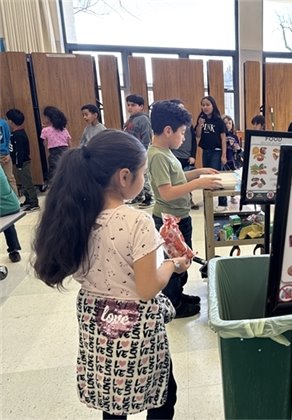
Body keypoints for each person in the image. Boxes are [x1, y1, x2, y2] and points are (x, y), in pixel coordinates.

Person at [33, 130, 191, 419]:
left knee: (113, 400)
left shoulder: (77, 215)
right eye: (143, 175)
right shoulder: (137, 222)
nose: (145, 182)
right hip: (138, 335)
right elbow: (146, 288)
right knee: (162, 398)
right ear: (124, 176)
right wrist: (173, 265)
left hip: (101, 331)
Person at [148, 100, 222, 318]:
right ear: (168, 130)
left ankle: (178, 295)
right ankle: (173, 304)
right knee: (174, 263)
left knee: (183, 259)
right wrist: (199, 184)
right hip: (168, 221)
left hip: (179, 218)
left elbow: (178, 179)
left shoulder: (166, 152)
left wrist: (198, 172)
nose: (183, 137)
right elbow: (167, 192)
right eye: (181, 133)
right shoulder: (158, 156)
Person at [194, 95, 227, 209]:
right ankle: (208, 200)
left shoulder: (218, 120)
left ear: (213, 105)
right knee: (205, 176)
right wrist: (199, 125)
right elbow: (197, 135)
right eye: (203, 105)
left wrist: (224, 155)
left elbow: (223, 138)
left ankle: (222, 202)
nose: (205, 107)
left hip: (216, 152)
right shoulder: (201, 119)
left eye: (208, 105)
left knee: (217, 175)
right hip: (205, 151)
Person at [123, 94, 154, 207]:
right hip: (131, 152)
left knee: (144, 175)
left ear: (141, 106)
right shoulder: (129, 120)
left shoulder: (143, 119)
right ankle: (138, 196)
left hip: (141, 152)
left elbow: (147, 137)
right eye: (128, 105)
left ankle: (149, 197)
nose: (130, 107)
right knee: (134, 174)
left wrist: (143, 152)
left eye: (133, 105)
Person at [6, 109, 39, 212]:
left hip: (23, 162)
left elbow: (20, 151)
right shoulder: (15, 133)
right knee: (23, 183)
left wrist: (19, 164)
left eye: (8, 120)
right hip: (19, 163)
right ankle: (28, 200)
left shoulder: (19, 134)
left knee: (28, 183)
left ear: (11, 121)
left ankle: (34, 203)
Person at [169, 99, 199, 209]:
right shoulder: (171, 125)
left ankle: (189, 199)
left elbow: (193, 140)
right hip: (175, 155)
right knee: (177, 180)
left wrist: (193, 155)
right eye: (179, 108)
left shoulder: (188, 123)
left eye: (183, 108)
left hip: (187, 156)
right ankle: (180, 201)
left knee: (187, 179)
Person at [41, 106, 71, 187]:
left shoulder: (45, 130)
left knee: (54, 174)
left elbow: (44, 144)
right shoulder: (64, 129)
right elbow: (69, 143)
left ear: (48, 118)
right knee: (66, 173)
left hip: (54, 154)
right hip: (66, 152)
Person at [0, 168, 22, 263]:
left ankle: (14, 250)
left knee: (7, 221)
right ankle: (14, 250)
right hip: (11, 205)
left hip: (7, 207)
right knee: (8, 224)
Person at [0, 118, 17, 193]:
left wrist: (8, 153)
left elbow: (8, 139)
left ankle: (15, 200)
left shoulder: (3, 123)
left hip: (4, 154)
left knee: (10, 178)